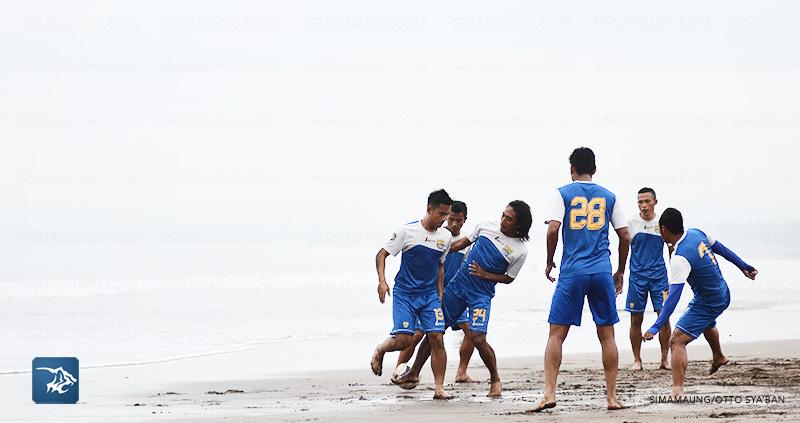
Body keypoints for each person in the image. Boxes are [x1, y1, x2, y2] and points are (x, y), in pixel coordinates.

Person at [394, 201, 531, 398]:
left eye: (508, 219)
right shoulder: (486, 226)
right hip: (457, 288)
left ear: (519, 224)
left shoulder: (520, 250)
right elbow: (460, 244)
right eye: (503, 215)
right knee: (435, 331)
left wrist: (486, 274)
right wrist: (433, 250)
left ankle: (495, 380)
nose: (502, 221)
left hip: (481, 295)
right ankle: (414, 372)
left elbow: (509, 278)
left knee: (477, 337)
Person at [531, 147, 631, 412]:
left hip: (573, 271)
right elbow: (625, 236)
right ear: (594, 169)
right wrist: (620, 271)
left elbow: (553, 228)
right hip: (600, 271)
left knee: (556, 334)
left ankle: (550, 393)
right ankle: (611, 398)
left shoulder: (562, 193)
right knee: (607, 335)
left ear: (571, 169)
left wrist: (550, 260)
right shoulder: (610, 196)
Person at [643, 207, 758, 398]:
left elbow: (673, 298)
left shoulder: (680, 258)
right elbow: (721, 249)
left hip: (709, 300)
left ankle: (677, 390)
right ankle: (719, 357)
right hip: (722, 291)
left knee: (676, 340)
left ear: (664, 229)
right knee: (705, 321)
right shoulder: (697, 233)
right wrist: (743, 267)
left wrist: (656, 326)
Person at [370, 189, 453, 399]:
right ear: (428, 209)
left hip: (429, 296)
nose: (444, 220)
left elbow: (440, 267)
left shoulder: (445, 237)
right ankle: (380, 350)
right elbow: (381, 255)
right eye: (441, 214)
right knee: (404, 341)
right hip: (405, 294)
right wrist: (382, 281)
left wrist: (439, 296)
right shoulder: (407, 232)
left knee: (437, 336)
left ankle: (439, 388)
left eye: (447, 215)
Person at [393, 201, 478, 384]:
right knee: (416, 335)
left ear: (464, 220)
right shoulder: (439, 236)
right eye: (451, 219)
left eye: (459, 220)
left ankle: (461, 372)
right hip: (431, 294)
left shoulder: (466, 241)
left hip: (454, 295)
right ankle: (398, 370)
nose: (454, 223)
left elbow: (463, 267)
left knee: (471, 331)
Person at [626, 187, 671, 371]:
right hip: (637, 278)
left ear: (655, 202)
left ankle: (664, 359)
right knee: (636, 319)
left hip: (659, 277)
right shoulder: (631, 223)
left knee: (664, 317)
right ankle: (637, 360)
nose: (643, 206)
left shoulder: (662, 223)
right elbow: (624, 248)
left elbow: (671, 248)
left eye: (647, 201)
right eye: (640, 202)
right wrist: (620, 272)